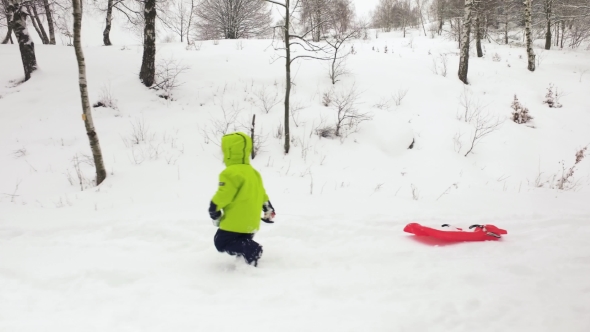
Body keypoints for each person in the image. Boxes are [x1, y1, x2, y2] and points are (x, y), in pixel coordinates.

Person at [208, 132, 275, 266]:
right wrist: (268, 209)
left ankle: (253, 250)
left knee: (221, 242)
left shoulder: (230, 172)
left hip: (235, 221)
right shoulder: (253, 172)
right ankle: (248, 266)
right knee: (241, 245)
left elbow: (224, 194)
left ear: (229, 151)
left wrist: (214, 206)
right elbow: (262, 193)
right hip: (251, 223)